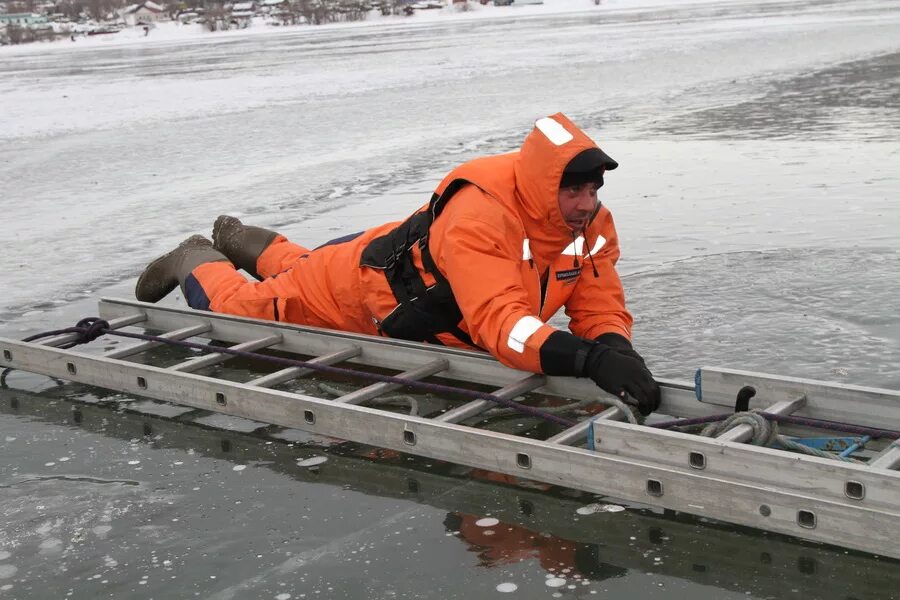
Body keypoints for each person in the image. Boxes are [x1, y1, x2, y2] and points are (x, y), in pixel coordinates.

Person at [135, 113, 661, 415]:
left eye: (593, 189)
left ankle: (242, 239)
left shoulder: (585, 224)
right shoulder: (482, 218)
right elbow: (504, 326)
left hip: (381, 256)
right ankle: (197, 255)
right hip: (357, 295)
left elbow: (597, 297)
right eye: (574, 189)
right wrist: (588, 361)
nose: (586, 202)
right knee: (239, 310)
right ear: (545, 186)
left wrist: (612, 344)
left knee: (305, 267)